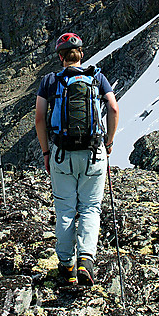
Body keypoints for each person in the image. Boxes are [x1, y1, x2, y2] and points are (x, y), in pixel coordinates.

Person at [34, 33, 119, 286]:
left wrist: (46, 152)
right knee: (91, 208)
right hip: (94, 152)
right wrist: (109, 143)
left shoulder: (50, 80)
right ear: (81, 54)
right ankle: (86, 261)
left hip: (62, 154)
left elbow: (39, 118)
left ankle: (65, 265)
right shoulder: (97, 77)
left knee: (65, 210)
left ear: (61, 57)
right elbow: (113, 109)